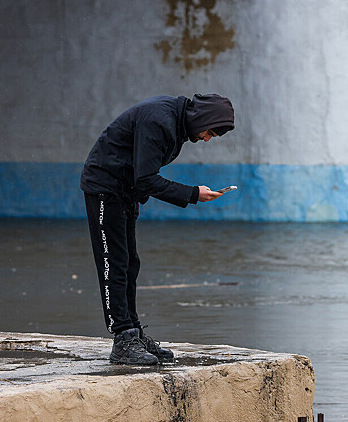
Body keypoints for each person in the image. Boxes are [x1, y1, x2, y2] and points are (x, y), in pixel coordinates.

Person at [80, 93, 234, 365]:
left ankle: (134, 332)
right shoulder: (161, 121)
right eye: (210, 132)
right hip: (105, 188)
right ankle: (123, 339)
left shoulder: (176, 123)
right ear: (202, 119)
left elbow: (140, 176)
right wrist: (191, 194)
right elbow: (147, 179)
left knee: (130, 263)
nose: (208, 139)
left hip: (124, 191)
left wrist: (190, 193)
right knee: (113, 263)